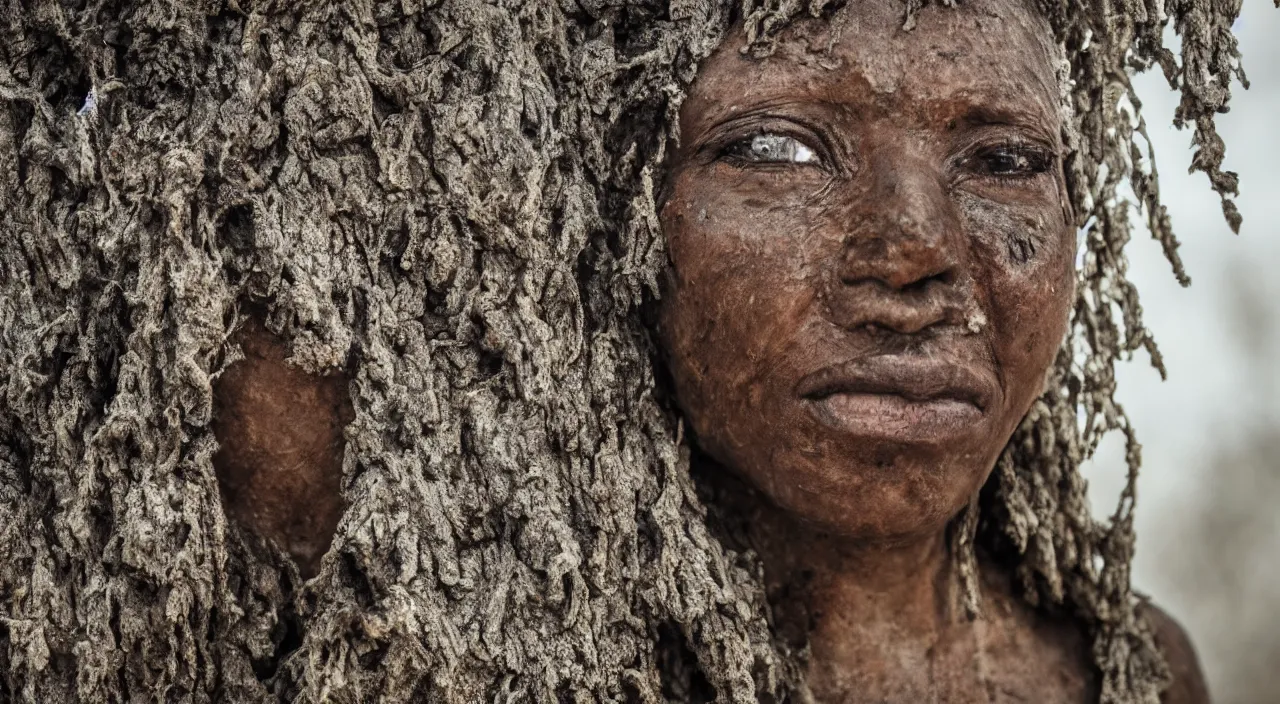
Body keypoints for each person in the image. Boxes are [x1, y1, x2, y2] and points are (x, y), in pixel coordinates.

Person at [0, 0, 1257, 701]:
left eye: (1001, 158)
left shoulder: (1127, 672)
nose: (914, 250)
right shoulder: (476, 650)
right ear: (607, 229)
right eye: (774, 149)